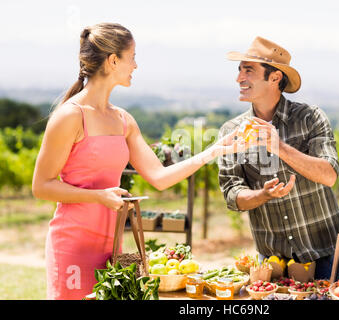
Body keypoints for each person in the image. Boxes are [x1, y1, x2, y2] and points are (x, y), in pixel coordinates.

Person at [32, 23, 245, 300]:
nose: (136, 65)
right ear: (112, 61)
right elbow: (41, 186)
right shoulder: (71, 116)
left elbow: (159, 177)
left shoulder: (123, 120)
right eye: (132, 56)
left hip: (113, 246)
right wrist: (98, 196)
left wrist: (213, 152)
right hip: (73, 243)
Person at [218, 36, 339, 280]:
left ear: (275, 77)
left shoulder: (310, 118)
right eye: (239, 70)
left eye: (249, 70)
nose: (239, 78)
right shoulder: (231, 131)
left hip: (326, 256)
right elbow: (232, 195)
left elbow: (329, 174)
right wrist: (262, 195)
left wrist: (278, 146)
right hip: (273, 264)